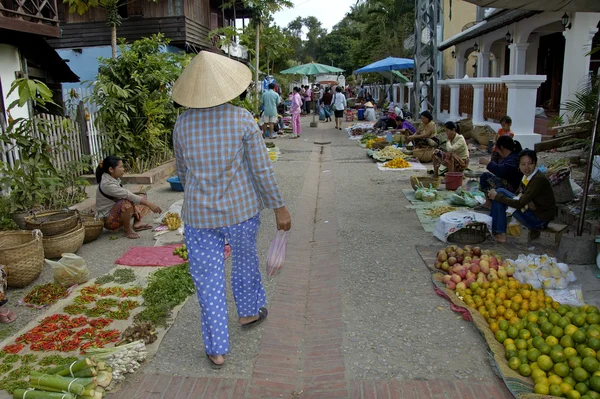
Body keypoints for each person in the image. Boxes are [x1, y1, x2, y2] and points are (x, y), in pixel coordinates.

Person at [171, 51, 292, 368]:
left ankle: (217, 349)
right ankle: (249, 313)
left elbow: (182, 173)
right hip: (241, 212)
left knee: (207, 279)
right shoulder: (242, 120)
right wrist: (279, 208)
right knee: (244, 261)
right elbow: (261, 170)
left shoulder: (181, 125)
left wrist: (199, 190)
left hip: (199, 217)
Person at [488, 149, 556, 243]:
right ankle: (496, 231)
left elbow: (519, 203)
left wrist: (497, 197)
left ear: (535, 163)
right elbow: (518, 195)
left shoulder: (537, 179)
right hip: (531, 211)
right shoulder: (527, 177)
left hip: (539, 221)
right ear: (519, 165)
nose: (526, 167)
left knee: (499, 195)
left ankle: (499, 232)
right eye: (523, 164)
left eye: (530, 164)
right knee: (500, 192)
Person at [95, 156, 163, 239]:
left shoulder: (112, 178)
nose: (123, 169)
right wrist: (150, 204)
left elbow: (127, 195)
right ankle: (128, 230)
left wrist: (136, 206)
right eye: (120, 167)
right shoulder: (107, 184)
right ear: (111, 170)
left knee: (141, 196)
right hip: (110, 221)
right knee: (127, 204)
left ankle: (137, 222)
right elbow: (128, 195)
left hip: (117, 209)